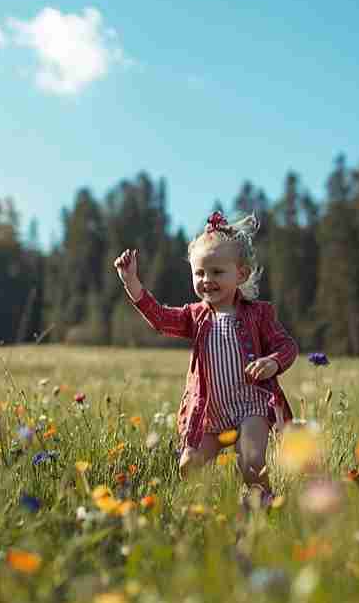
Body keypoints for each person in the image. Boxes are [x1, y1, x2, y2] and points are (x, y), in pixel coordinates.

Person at [114, 210, 297, 505]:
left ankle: (263, 505)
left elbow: (287, 345)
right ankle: (210, 509)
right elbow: (160, 318)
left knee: (251, 462)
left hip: (251, 404)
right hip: (210, 410)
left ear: (241, 274)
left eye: (217, 272)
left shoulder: (259, 314)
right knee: (189, 466)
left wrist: (273, 362)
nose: (207, 280)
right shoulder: (194, 316)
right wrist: (132, 282)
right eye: (199, 273)